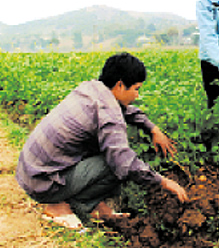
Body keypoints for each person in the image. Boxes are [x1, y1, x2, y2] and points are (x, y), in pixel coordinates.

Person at [15, 52, 188, 230]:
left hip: (30, 171)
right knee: (115, 166)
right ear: (120, 85)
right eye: (136, 89)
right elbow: (123, 163)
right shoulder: (109, 113)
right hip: (43, 182)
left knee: (105, 150)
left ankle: (94, 206)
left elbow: (124, 110)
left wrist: (152, 128)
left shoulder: (92, 89)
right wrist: (163, 181)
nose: (137, 95)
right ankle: (60, 206)